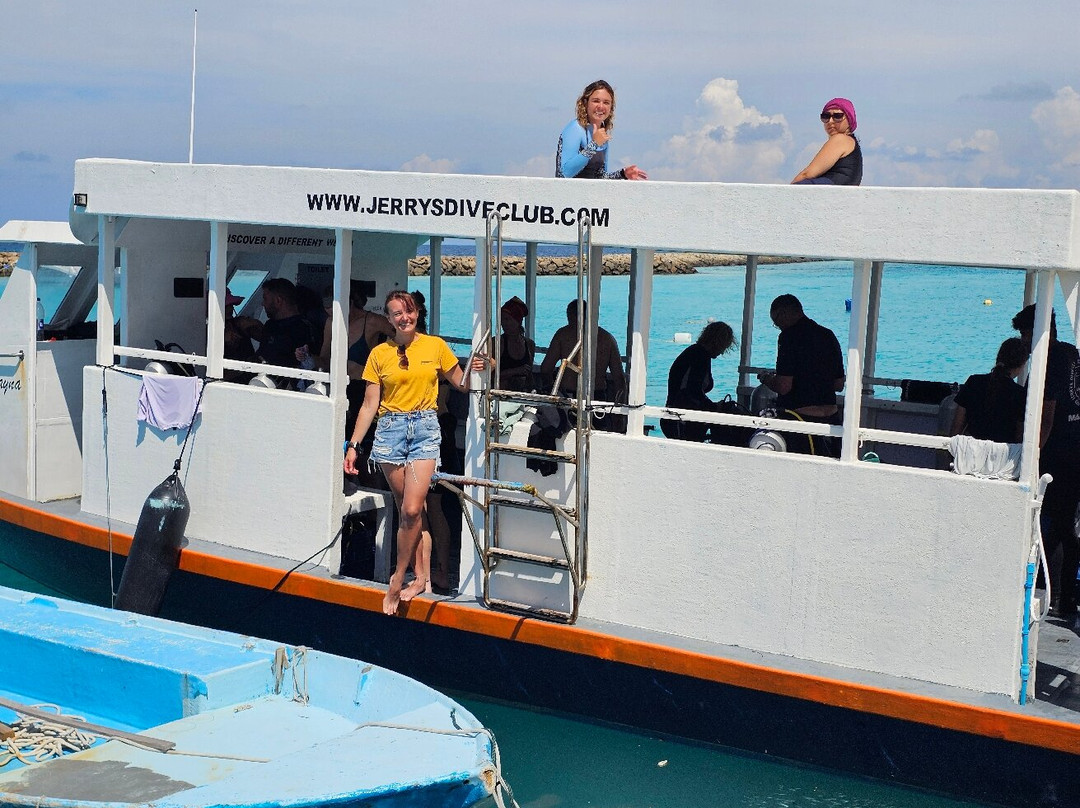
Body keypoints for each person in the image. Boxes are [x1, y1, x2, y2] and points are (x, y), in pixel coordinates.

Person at [343, 290, 487, 615]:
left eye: (408, 312)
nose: (404, 318)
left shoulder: (435, 346)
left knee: (411, 510)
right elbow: (369, 404)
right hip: (390, 432)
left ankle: (397, 578)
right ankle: (421, 577)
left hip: (424, 430)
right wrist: (353, 445)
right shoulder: (379, 354)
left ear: (417, 313)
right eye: (397, 313)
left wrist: (478, 365)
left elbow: (461, 383)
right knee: (411, 512)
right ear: (389, 318)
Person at [1012, 304, 1080, 618]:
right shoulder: (1072, 353)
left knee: (1048, 524)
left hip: (1057, 454)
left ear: (1039, 331)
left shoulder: (1049, 360)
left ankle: (1048, 591)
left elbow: (1047, 416)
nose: (1023, 342)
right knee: (1068, 525)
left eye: (1026, 335)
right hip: (1075, 448)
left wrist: (1030, 455)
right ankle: (1065, 598)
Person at [758, 294, 845, 455]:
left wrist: (766, 379)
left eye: (776, 321)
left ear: (784, 314)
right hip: (831, 419)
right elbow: (839, 384)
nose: (777, 326)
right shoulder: (828, 335)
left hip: (801, 420)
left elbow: (784, 386)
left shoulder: (788, 337)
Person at [318, 281, 394, 442]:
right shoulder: (331, 322)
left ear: (349, 303)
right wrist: (306, 357)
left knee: (364, 438)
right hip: (339, 387)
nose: (330, 313)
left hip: (364, 387)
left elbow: (403, 337)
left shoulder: (372, 321)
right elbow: (324, 358)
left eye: (332, 308)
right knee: (338, 437)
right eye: (327, 309)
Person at [555, 79, 647, 181]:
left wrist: (623, 174)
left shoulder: (602, 135)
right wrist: (593, 145)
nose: (601, 106)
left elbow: (600, 177)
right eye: (596, 101)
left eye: (606, 102)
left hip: (589, 191)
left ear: (611, 108)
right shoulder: (576, 128)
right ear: (585, 103)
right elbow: (563, 174)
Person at [661, 321, 737, 443]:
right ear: (717, 342)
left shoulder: (698, 353)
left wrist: (711, 406)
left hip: (678, 417)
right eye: (723, 346)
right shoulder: (699, 356)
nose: (722, 351)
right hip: (680, 420)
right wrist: (713, 407)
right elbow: (691, 391)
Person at [949, 338, 1028, 443]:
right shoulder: (1020, 394)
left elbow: (957, 426)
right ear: (1022, 364)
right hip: (1003, 452)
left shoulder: (973, 382)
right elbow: (1019, 436)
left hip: (971, 449)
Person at [235, 277, 316, 369]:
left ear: (278, 301)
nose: (263, 303)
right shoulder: (270, 325)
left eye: (265, 299)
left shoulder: (303, 329)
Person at [791, 98, 862, 186]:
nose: (830, 121)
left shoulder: (840, 139)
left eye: (838, 116)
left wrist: (787, 190)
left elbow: (807, 174)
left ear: (849, 119)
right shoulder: (852, 143)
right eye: (826, 116)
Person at [498, 296, 536, 392]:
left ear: (518, 321)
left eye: (507, 319)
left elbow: (529, 375)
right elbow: (491, 376)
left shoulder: (529, 345)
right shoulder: (498, 343)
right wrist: (515, 371)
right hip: (502, 394)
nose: (504, 323)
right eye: (502, 319)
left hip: (523, 394)